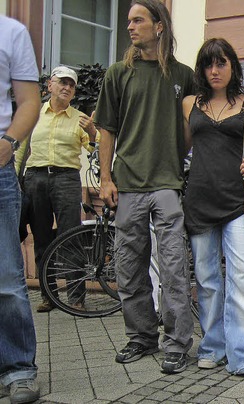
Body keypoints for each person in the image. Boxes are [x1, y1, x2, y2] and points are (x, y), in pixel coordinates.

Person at [93, 0, 196, 374]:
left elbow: (206, 115)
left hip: (168, 184)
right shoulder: (118, 73)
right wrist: (105, 178)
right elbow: (107, 129)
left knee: (172, 269)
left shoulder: (184, 75)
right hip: (128, 185)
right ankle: (140, 337)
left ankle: (177, 343)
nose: (130, 27)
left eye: (138, 21)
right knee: (129, 267)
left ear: (159, 27)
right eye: (128, 22)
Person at [181, 38, 244, 382]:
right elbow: (183, 148)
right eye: (208, 64)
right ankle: (213, 346)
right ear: (201, 70)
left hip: (239, 201)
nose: (215, 70)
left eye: (221, 63)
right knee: (206, 281)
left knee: (243, 279)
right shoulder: (190, 103)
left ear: (232, 66)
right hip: (200, 200)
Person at [15, 65, 97, 313]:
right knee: (41, 238)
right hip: (35, 179)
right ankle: (48, 295)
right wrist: (15, 182)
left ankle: (76, 297)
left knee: (70, 237)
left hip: (66, 179)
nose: (67, 87)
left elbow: (95, 151)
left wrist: (93, 133)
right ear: (49, 85)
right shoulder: (33, 114)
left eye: (71, 85)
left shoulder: (79, 118)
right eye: (62, 82)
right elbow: (20, 151)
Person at [0, 15, 42, 404]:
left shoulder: (11, 32)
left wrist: (8, 142)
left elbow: (30, 100)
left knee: (8, 278)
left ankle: (18, 369)